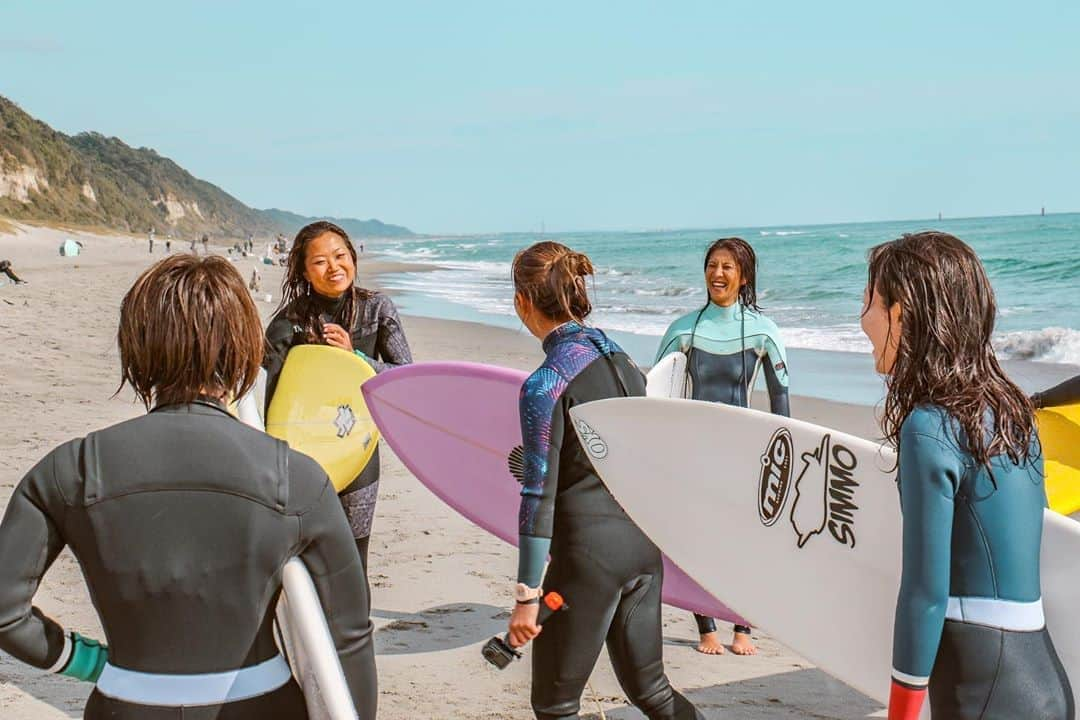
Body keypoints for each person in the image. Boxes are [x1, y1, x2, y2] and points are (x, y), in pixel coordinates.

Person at [0, 254, 376, 719]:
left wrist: (81, 660)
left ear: (136, 345)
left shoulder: (69, 470)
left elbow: (5, 614)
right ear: (242, 348)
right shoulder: (296, 477)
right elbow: (349, 635)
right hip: (262, 707)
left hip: (126, 705)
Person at [861, 232, 1072, 720]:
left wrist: (901, 713)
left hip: (982, 696)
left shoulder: (928, 427)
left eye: (868, 301)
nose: (862, 320)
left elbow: (923, 596)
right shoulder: (1014, 415)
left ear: (901, 312)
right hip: (1045, 686)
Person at [507, 241, 703, 720]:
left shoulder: (546, 382)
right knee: (652, 691)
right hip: (642, 550)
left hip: (586, 559)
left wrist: (527, 596)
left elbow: (538, 498)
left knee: (555, 705)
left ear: (522, 302)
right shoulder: (623, 362)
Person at [654, 237, 789, 656]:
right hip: (695, 453)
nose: (718, 273)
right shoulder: (684, 329)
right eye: (713, 265)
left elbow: (780, 400)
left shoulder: (765, 332)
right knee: (699, 540)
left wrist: (781, 457)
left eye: (728, 267)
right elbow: (655, 393)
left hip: (745, 452)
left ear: (743, 276)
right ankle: (706, 627)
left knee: (746, 541)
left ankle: (743, 627)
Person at [264, 220, 412, 578]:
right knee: (303, 559)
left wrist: (354, 358)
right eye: (319, 261)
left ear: (352, 257)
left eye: (339, 255)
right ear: (303, 270)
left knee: (353, 556)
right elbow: (265, 397)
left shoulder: (377, 309)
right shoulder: (288, 323)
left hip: (357, 450)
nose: (333, 267)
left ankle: (354, 633)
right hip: (300, 459)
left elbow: (404, 378)